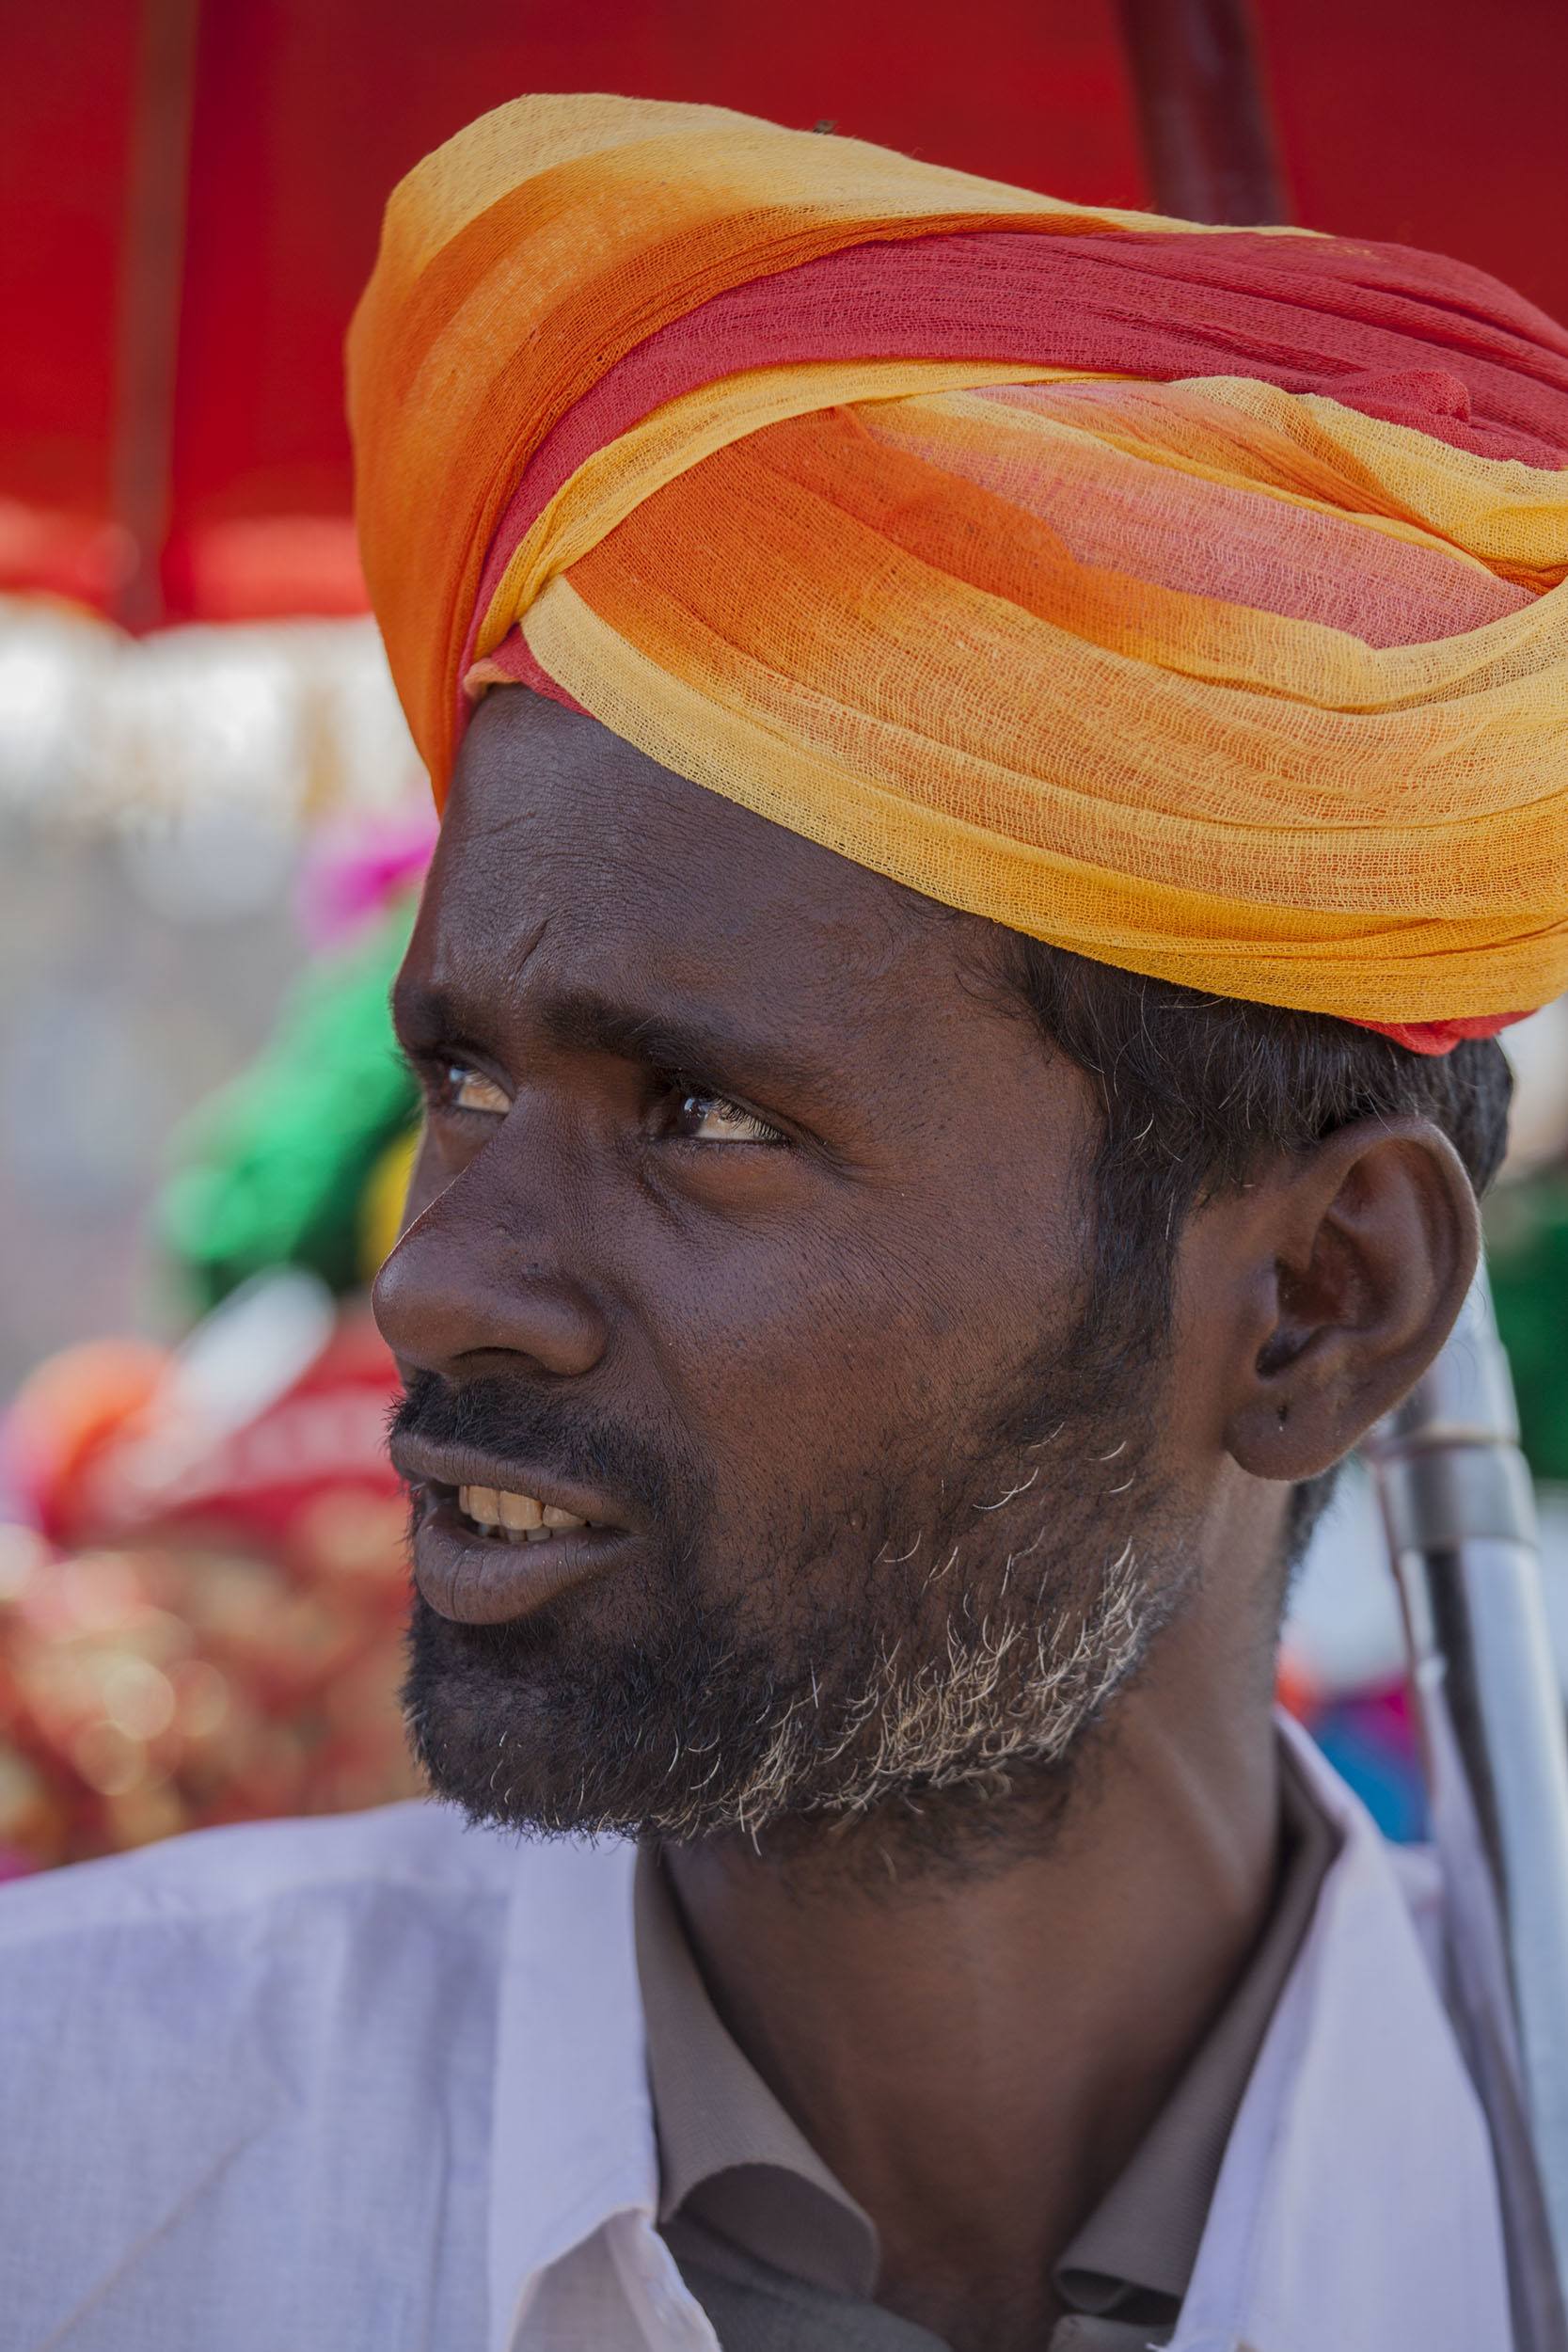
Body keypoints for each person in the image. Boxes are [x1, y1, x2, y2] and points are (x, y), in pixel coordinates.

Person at [3, 93, 1566, 2352]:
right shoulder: (81, 2175)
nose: (441, 1278)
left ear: (1321, 1300)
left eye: (705, 1113)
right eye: (461, 1076)